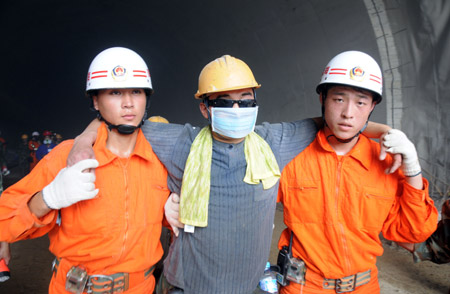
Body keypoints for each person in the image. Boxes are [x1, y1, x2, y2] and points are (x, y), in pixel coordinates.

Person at [68, 55, 398, 294]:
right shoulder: (179, 143)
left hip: (248, 287)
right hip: (186, 287)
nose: (237, 110)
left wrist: (386, 132)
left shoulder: (275, 142)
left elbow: (341, 120)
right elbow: (123, 121)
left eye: (246, 100)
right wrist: (83, 140)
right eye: (224, 102)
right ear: (204, 108)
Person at [0, 47, 171, 293]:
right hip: (75, 288)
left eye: (136, 91)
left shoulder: (160, 159)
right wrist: (48, 198)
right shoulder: (67, 157)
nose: (128, 103)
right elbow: (5, 222)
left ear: (147, 97)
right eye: (114, 92)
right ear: (95, 100)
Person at [276, 51, 439, 293]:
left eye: (361, 102)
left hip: (363, 287)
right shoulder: (292, 157)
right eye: (339, 99)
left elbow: (413, 232)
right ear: (323, 98)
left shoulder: (387, 163)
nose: (348, 113)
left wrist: (413, 170)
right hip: (302, 287)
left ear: (372, 105)